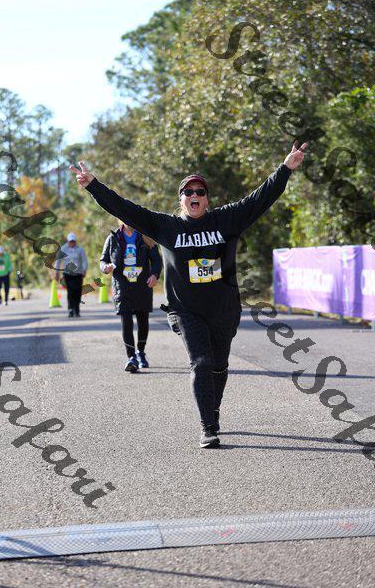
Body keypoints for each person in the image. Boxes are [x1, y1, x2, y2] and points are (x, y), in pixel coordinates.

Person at [70, 142, 307, 448]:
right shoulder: (165, 226)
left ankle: (213, 411)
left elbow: (260, 198)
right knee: (201, 362)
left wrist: (285, 168)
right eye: (188, 192)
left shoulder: (227, 219)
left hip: (223, 310)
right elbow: (124, 208)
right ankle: (208, 426)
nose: (194, 195)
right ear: (180, 199)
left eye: (200, 192)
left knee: (219, 366)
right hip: (186, 310)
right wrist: (94, 186)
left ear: (206, 199)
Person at [100, 220, 162, 372]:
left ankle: (141, 352)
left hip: (142, 284)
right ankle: (131, 357)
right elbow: (103, 260)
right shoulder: (113, 238)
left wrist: (155, 275)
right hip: (122, 285)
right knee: (126, 320)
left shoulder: (145, 236)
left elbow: (156, 259)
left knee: (143, 320)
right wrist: (106, 267)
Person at [54, 232, 88, 317]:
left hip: (78, 273)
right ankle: (70, 309)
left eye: (73, 241)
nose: (72, 243)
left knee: (77, 292)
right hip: (67, 274)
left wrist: (84, 270)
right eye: (70, 241)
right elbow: (58, 261)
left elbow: (84, 260)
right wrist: (56, 272)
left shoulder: (80, 249)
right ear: (68, 241)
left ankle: (76, 309)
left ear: (75, 241)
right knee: (70, 291)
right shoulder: (63, 249)